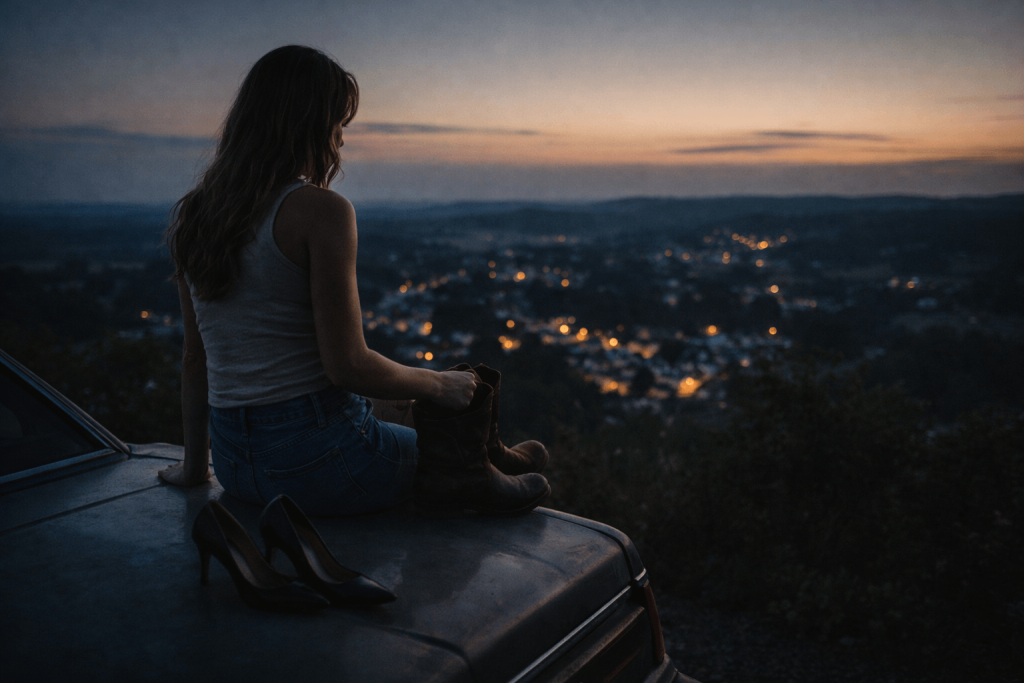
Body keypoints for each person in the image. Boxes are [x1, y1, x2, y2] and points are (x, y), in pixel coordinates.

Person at [159, 46, 548, 517]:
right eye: (337, 126)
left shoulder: (195, 215)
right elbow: (348, 366)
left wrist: (196, 468)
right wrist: (437, 384)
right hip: (318, 462)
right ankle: (475, 470)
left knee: (400, 407)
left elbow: (194, 356)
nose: (340, 142)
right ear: (307, 124)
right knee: (443, 437)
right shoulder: (320, 211)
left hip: (236, 465)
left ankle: (488, 454)